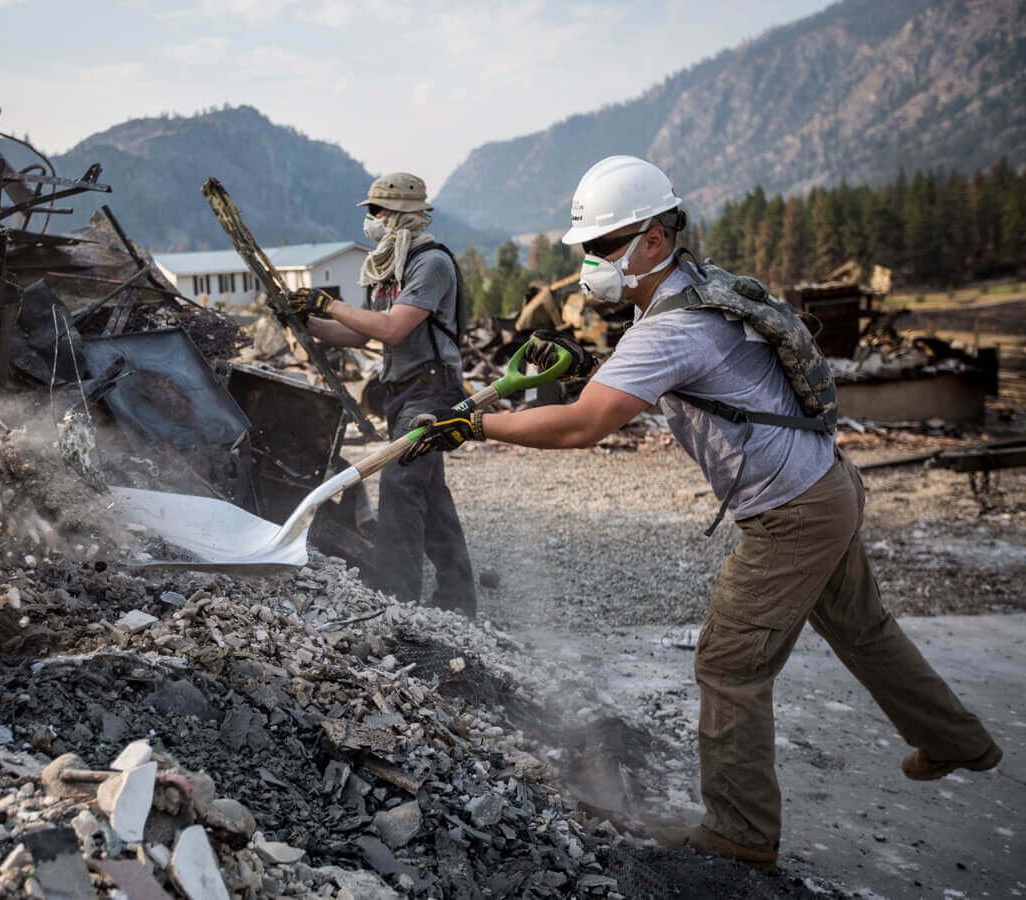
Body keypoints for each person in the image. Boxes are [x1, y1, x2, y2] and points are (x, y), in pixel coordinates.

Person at [404, 155, 1002, 871]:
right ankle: (959, 741)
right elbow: (627, 387)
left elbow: (582, 425)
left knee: (728, 666)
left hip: (792, 513)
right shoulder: (695, 292)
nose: (590, 263)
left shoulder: (668, 330)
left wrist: (475, 427)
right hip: (827, 485)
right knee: (862, 628)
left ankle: (740, 836)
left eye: (602, 247)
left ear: (654, 240)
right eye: (586, 249)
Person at [286, 172, 477, 617]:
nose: (370, 220)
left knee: (400, 483)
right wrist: (307, 322)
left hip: (431, 389)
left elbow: (393, 327)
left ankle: (397, 597)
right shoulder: (389, 263)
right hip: (400, 390)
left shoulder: (430, 263)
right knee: (431, 495)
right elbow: (360, 334)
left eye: (376, 211)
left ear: (400, 214)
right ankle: (458, 598)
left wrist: (328, 303)